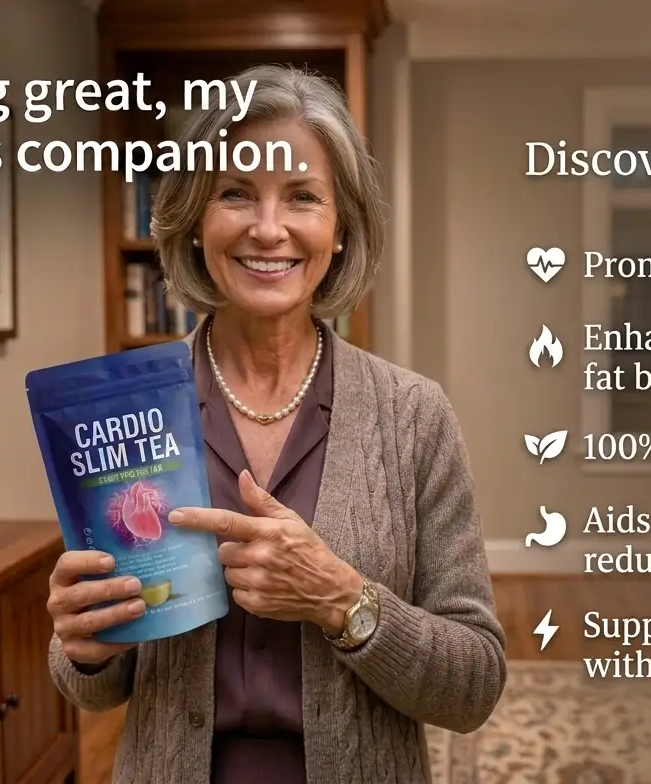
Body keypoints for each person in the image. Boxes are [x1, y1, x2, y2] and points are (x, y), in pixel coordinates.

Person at [43, 64, 507, 784]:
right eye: (235, 193)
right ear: (196, 219)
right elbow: (95, 686)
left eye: (301, 197)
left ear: (340, 227)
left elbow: (474, 685)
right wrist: (81, 646)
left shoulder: (413, 416)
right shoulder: (125, 409)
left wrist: (341, 599)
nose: (267, 229)